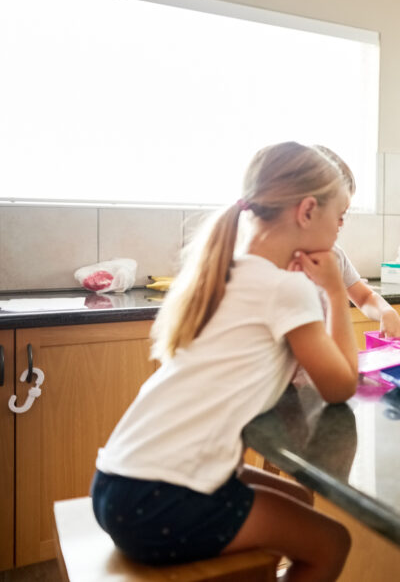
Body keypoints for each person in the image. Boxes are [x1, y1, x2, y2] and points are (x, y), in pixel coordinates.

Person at [92, 142, 358, 580]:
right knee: (332, 543)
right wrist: (333, 289)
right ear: (308, 211)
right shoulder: (286, 289)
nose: (341, 227)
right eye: (340, 215)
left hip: (119, 480)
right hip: (160, 499)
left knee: (300, 501)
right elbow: (340, 386)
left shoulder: (223, 269)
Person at [313, 145, 400, 340]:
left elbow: (365, 297)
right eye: (339, 214)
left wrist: (386, 311)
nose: (342, 223)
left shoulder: (335, 255)